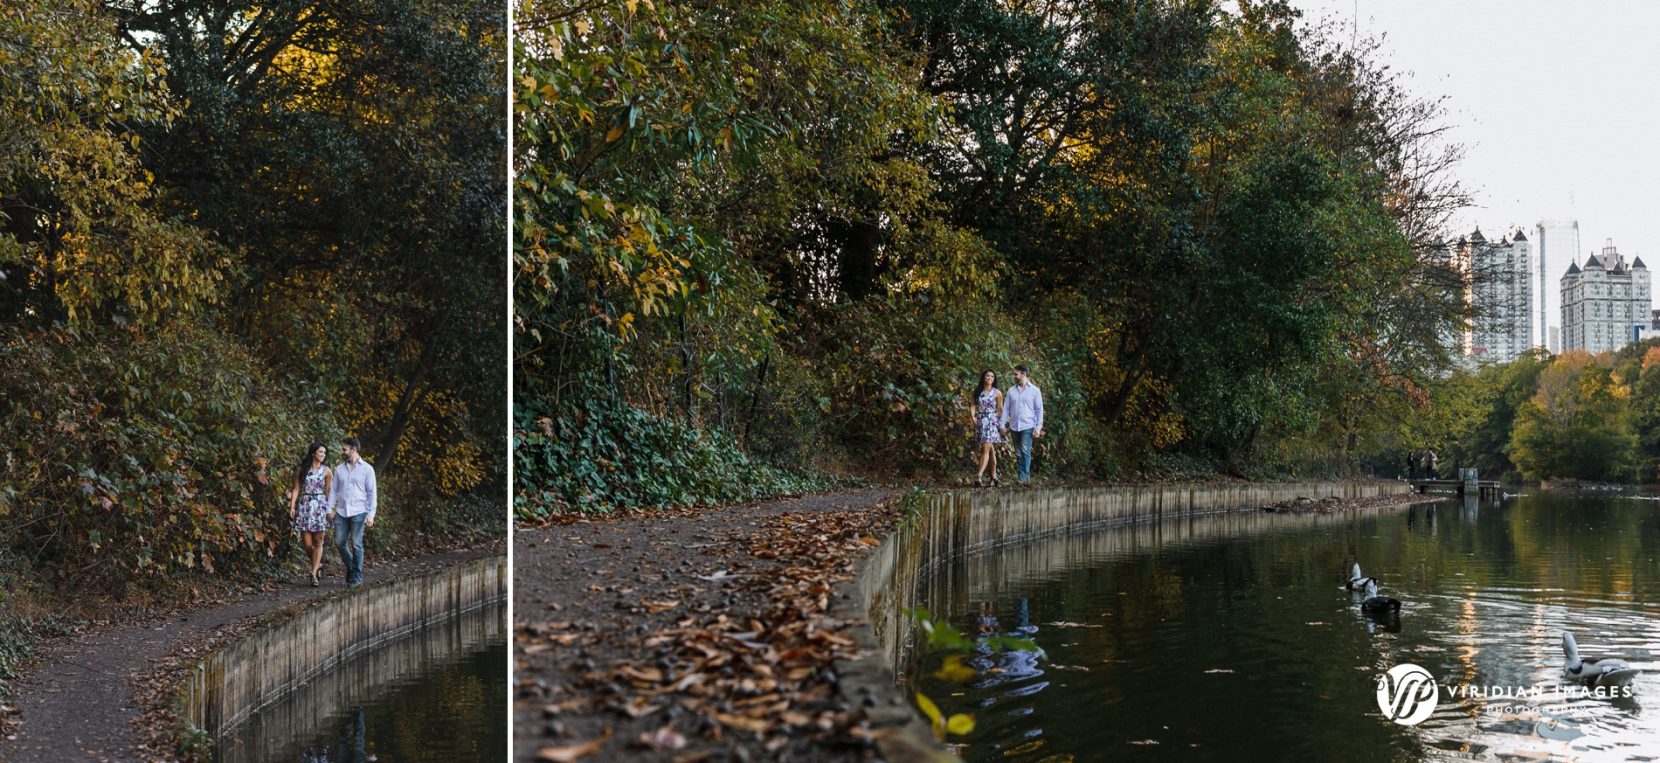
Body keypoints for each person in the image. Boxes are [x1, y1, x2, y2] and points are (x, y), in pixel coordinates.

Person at [330, 437, 377, 587]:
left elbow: (372, 493)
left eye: (345, 449)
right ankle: (352, 568)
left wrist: (371, 514)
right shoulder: (339, 469)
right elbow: (333, 491)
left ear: (353, 450)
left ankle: (356, 576)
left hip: (359, 511)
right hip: (342, 511)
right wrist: (329, 509)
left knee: (356, 543)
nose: (342, 452)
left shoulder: (367, 469)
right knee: (339, 542)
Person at [288, 442, 333, 587]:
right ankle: (318, 564)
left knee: (318, 541)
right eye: (320, 452)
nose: (323, 455)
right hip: (305, 506)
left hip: (320, 506)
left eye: (324, 453)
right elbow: (296, 489)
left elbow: (328, 492)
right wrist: (292, 506)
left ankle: (313, 574)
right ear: (313, 453)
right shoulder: (302, 469)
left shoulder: (327, 471)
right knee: (307, 544)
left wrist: (329, 510)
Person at [1000, 364, 1044, 485]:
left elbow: (1039, 410)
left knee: (1025, 450)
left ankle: (1023, 477)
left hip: (1028, 426)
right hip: (1014, 426)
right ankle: (1023, 476)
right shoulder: (1011, 391)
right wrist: (1002, 425)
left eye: (1016, 374)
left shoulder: (1035, 391)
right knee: (1018, 453)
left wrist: (1038, 427)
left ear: (1023, 374)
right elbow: (1006, 409)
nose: (1014, 376)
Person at [971, 369, 1004, 486]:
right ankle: (994, 477)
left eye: (992, 376)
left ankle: (978, 476)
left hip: (991, 422)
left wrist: (1002, 424)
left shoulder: (997, 393)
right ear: (984, 377)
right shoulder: (978, 391)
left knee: (985, 448)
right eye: (988, 376)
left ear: (994, 379)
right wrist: (972, 416)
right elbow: (973, 405)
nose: (990, 378)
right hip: (981, 421)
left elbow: (999, 409)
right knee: (990, 450)